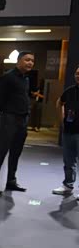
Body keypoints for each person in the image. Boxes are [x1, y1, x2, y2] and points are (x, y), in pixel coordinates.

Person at [0, 51, 35, 194]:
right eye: (27, 60)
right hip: (9, 118)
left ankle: (11, 180)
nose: (30, 63)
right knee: (1, 151)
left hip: (22, 119)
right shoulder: (8, 77)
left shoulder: (26, 79)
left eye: (32, 60)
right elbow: (0, 99)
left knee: (16, 152)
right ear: (19, 60)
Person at [53, 65, 79, 196]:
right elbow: (59, 102)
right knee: (68, 160)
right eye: (77, 73)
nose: (78, 76)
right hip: (69, 130)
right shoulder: (70, 91)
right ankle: (68, 185)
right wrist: (61, 119)